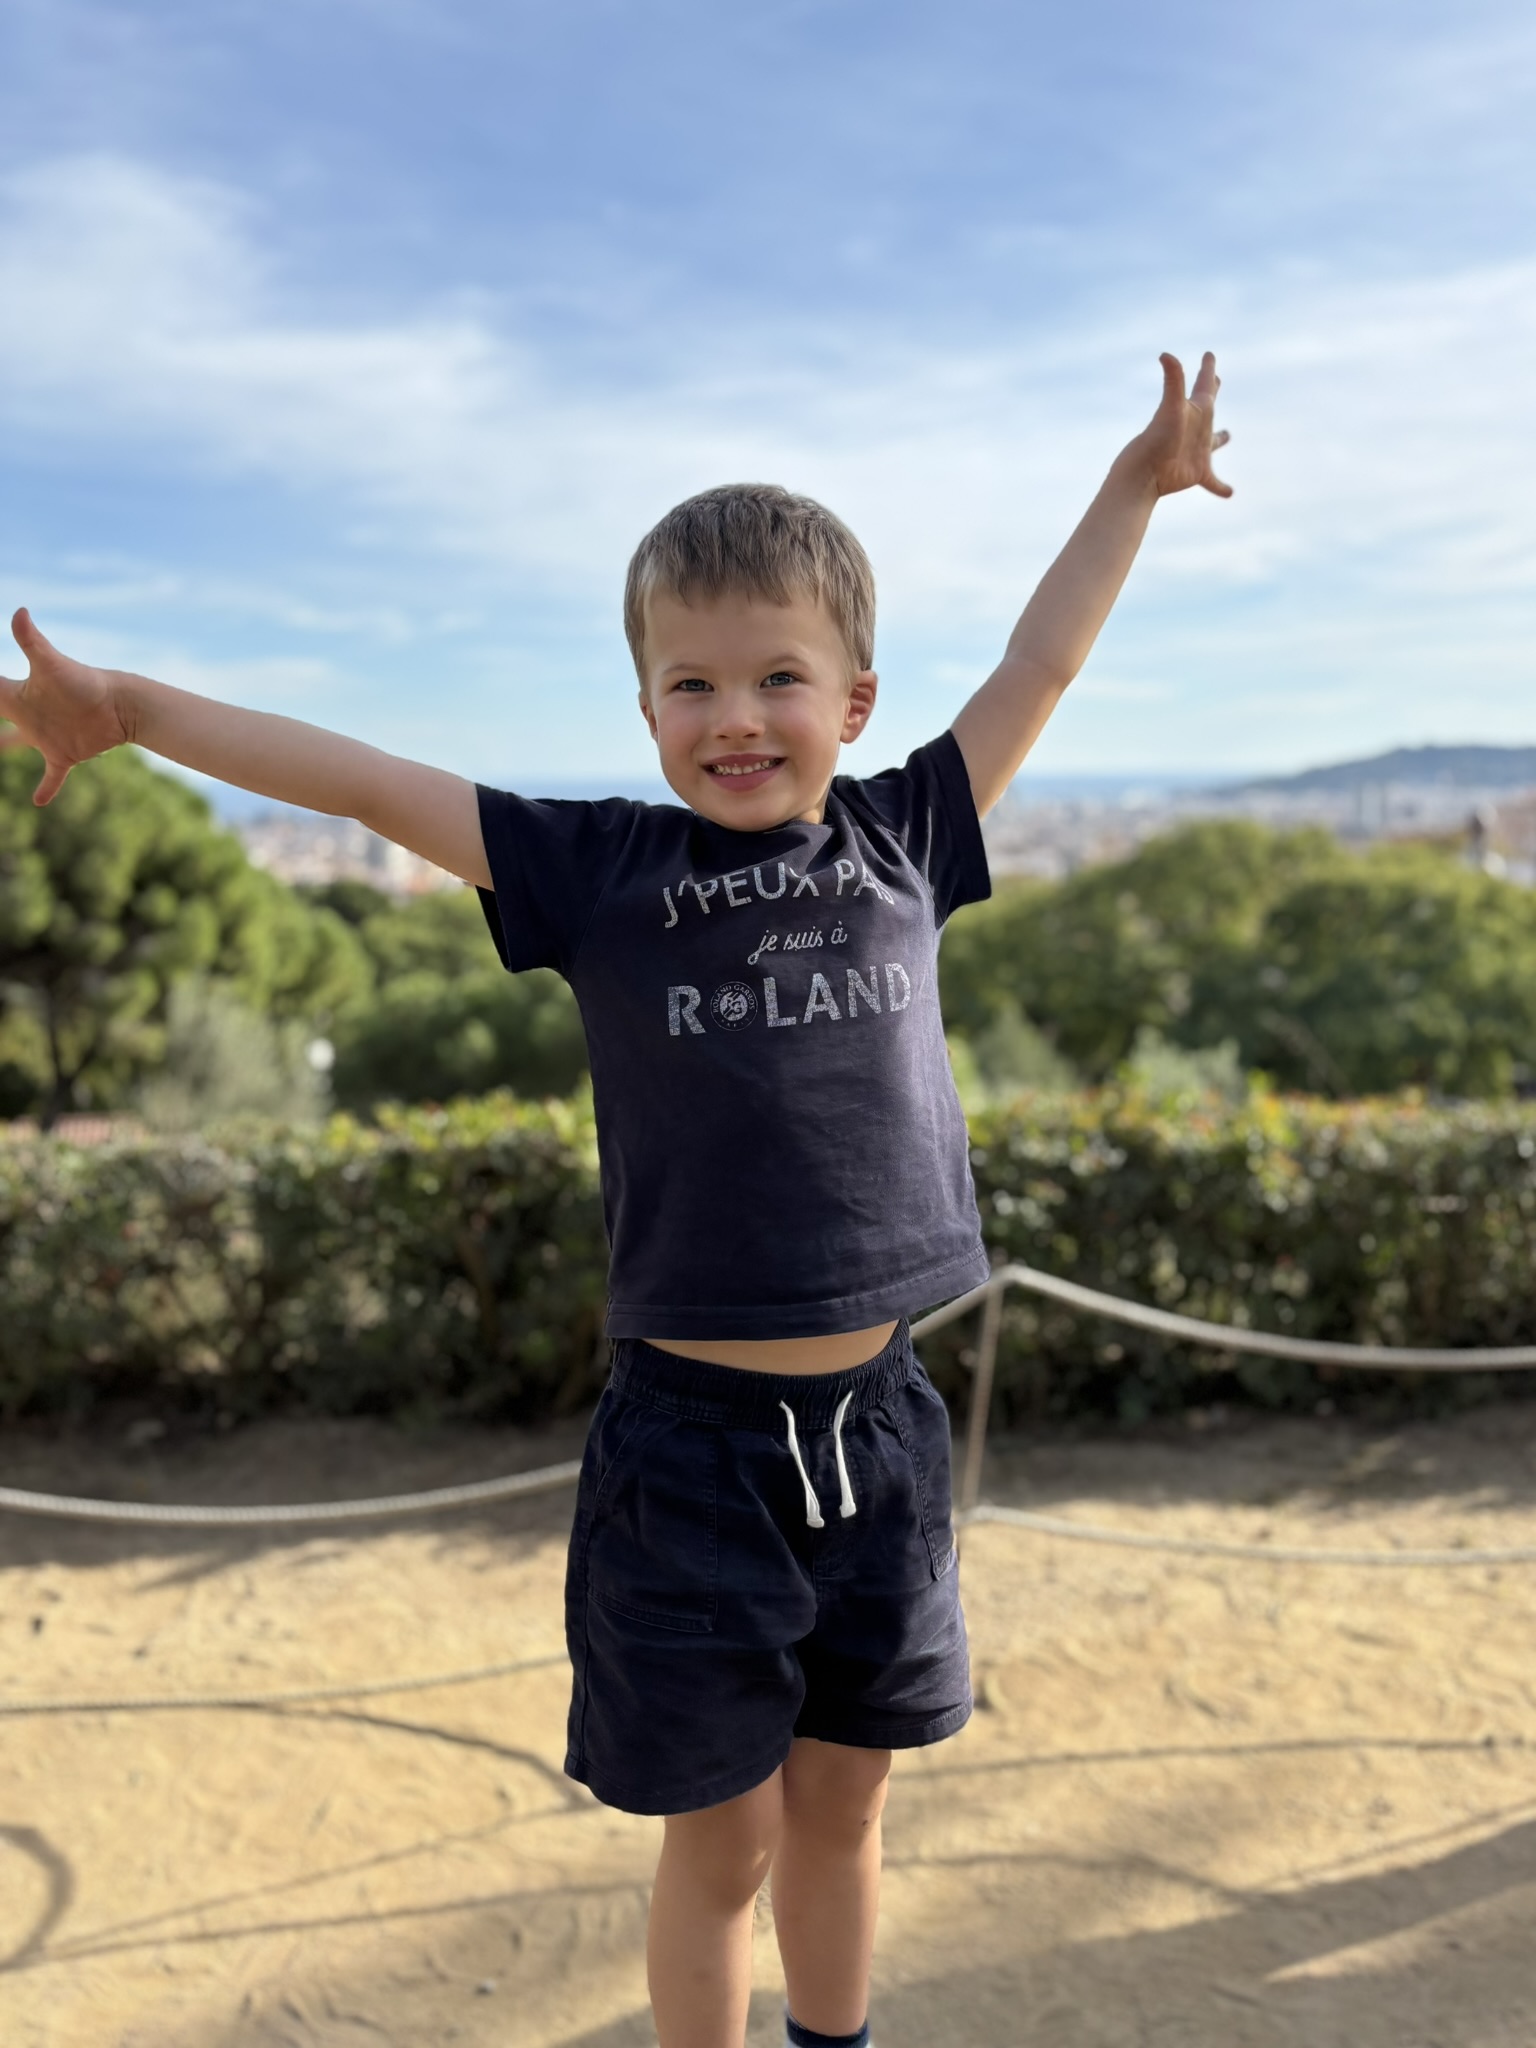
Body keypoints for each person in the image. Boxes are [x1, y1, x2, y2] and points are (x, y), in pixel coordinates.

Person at [0, 350, 1230, 2048]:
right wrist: (136, 710)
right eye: (690, 683)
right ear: (646, 709)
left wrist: (1134, 486)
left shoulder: (905, 838)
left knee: (847, 1807)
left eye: (779, 677)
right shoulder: (599, 874)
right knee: (720, 1842)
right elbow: (364, 781)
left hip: (882, 1434)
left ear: (855, 700)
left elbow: (1041, 660)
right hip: (690, 1455)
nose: (736, 717)